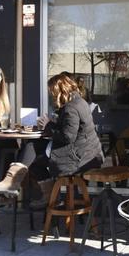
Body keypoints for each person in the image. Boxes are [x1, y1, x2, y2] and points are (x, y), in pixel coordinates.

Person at [26, 73, 104, 207]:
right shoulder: (79, 102)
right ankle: (51, 196)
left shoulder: (70, 108)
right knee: (34, 148)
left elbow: (68, 137)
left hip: (79, 159)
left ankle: (50, 197)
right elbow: (70, 129)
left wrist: (48, 125)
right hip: (89, 154)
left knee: (34, 160)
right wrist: (51, 124)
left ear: (60, 91)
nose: (52, 95)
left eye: (52, 92)